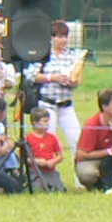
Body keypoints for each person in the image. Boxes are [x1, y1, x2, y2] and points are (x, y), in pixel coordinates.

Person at [23, 21, 83, 164]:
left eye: (65, 37)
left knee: (77, 139)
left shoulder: (71, 55)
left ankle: (79, 179)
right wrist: (52, 78)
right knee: (48, 141)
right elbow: (31, 75)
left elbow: (78, 77)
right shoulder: (43, 54)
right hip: (48, 104)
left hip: (66, 104)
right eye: (59, 37)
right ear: (51, 38)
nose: (63, 40)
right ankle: (49, 176)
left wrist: (73, 82)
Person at [24, 107, 66, 192]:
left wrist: (53, 162)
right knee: (36, 189)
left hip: (50, 171)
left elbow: (60, 155)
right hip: (35, 172)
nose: (47, 124)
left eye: (48, 121)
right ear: (35, 123)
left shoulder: (52, 138)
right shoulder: (28, 138)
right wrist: (36, 161)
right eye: (44, 121)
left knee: (59, 190)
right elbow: (23, 158)